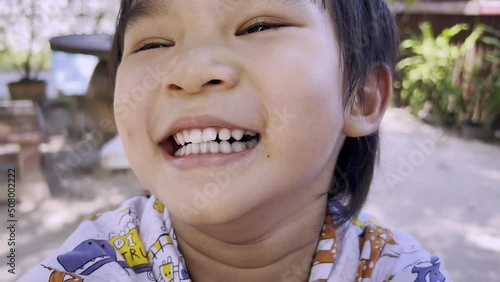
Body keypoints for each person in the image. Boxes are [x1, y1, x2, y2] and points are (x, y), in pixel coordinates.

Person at [19, 0, 453, 281]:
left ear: (361, 97)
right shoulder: (85, 268)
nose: (188, 70)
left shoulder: (401, 270)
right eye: (153, 43)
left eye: (259, 27)